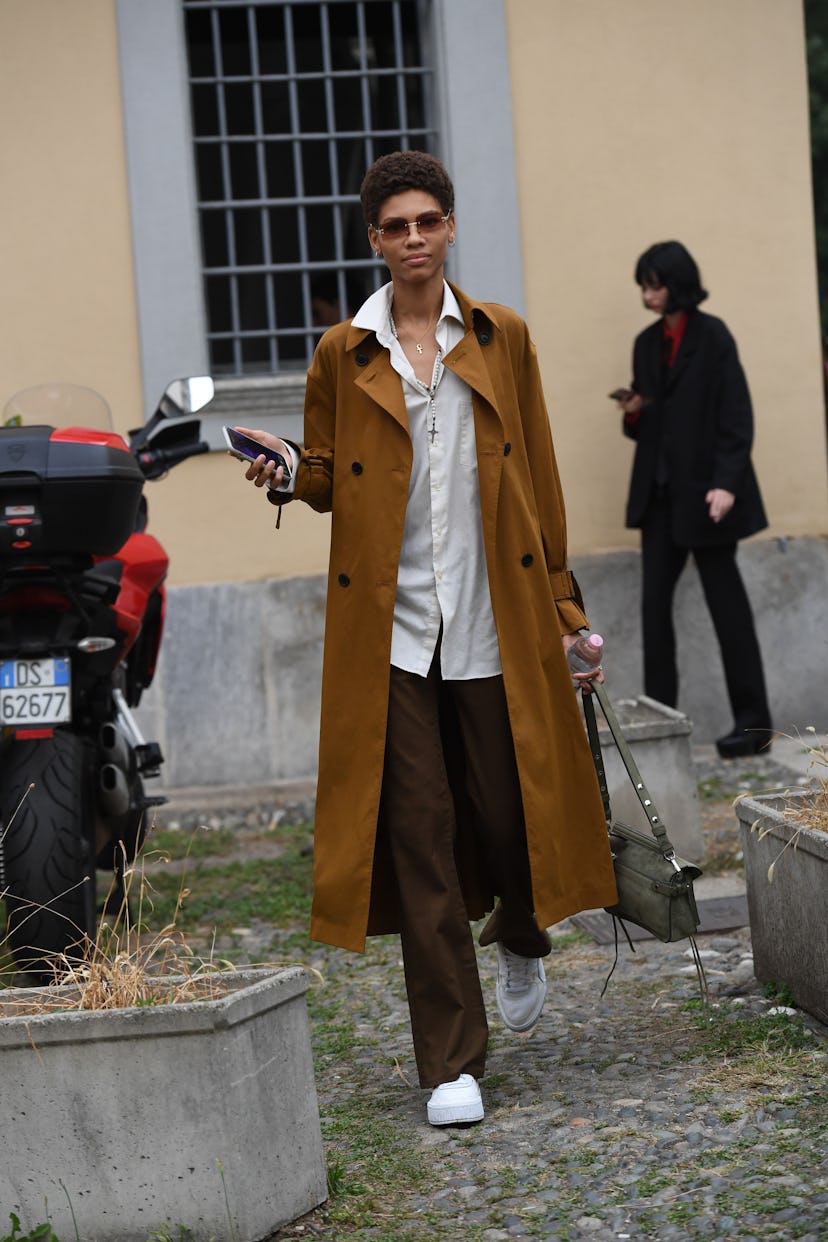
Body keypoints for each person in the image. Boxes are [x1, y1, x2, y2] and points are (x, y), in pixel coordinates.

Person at [232, 150, 617, 1127]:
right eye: (394, 226)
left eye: (426, 222)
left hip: (496, 619)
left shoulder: (502, 338)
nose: (411, 240)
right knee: (421, 841)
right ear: (374, 239)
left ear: (448, 229)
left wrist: (569, 614)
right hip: (392, 638)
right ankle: (451, 1061)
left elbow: (538, 476)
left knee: (507, 812)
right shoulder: (342, 353)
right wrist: (283, 472)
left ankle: (523, 928)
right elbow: (323, 474)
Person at [613, 240, 772, 758]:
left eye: (654, 285)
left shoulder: (714, 336)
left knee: (729, 612)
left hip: (708, 498)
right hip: (659, 499)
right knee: (654, 612)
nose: (647, 294)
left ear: (677, 283)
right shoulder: (645, 343)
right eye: (643, 285)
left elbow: (736, 415)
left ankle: (754, 726)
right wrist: (635, 410)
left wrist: (727, 482)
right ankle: (661, 725)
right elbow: (653, 422)